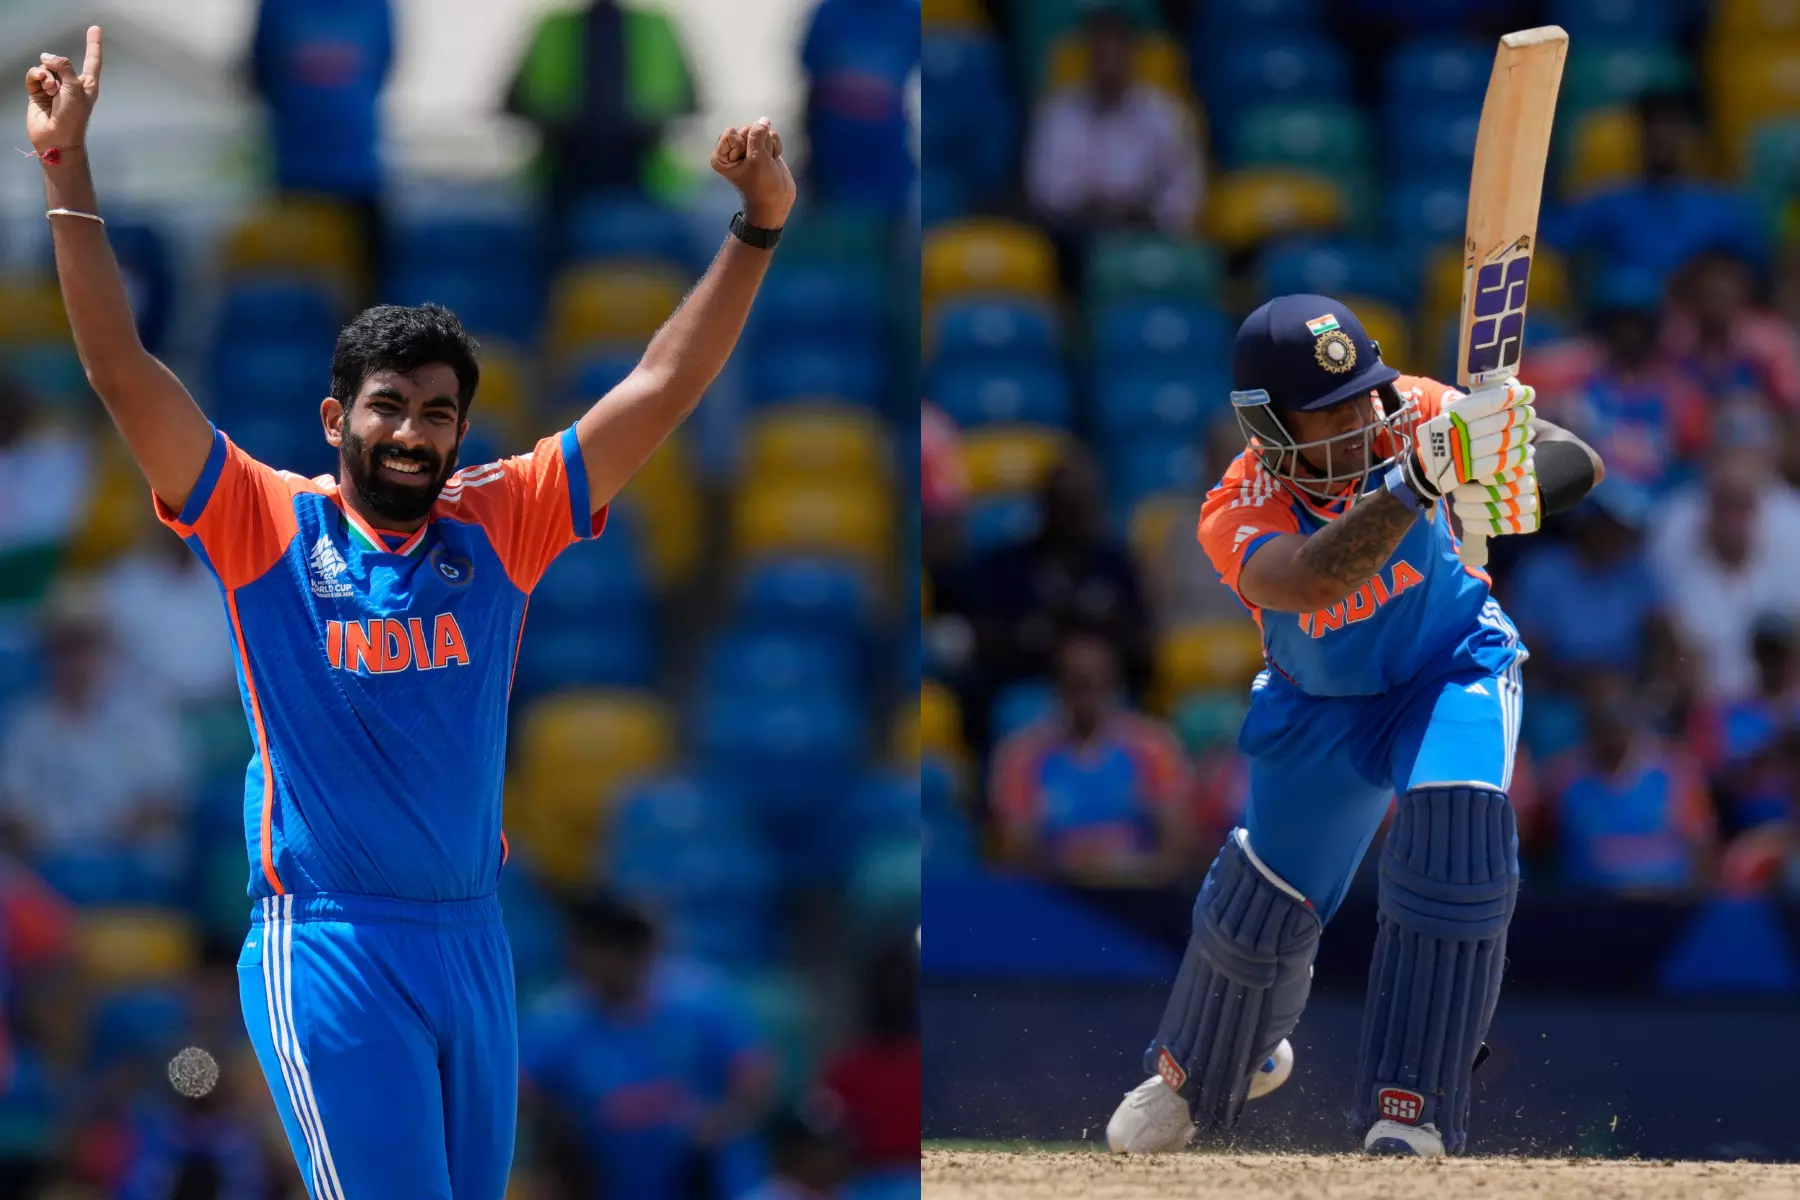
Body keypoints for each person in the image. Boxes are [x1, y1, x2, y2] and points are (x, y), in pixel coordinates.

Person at [25, 27, 795, 1199]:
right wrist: (66, 174)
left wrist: (756, 230)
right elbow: (124, 371)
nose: (414, 431)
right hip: (329, 944)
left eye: (439, 413)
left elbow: (662, 384)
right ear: (335, 418)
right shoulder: (261, 522)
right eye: (388, 406)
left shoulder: (504, 520)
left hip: (471, 944)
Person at [1103, 294, 1604, 1159]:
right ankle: (1207, 1068)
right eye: (1326, 405)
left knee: (1456, 841)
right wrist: (1418, 485)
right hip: (1319, 707)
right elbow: (1308, 581)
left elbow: (1578, 462)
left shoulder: (1408, 410)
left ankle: (1410, 1109)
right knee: (1261, 911)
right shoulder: (1236, 507)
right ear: (1267, 424)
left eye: (1362, 393)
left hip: (1450, 666)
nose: (1357, 415)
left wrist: (1509, 473)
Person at [519, 891, 776, 1200]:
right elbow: (519, 1089)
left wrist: (722, 1120)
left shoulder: (700, 1000)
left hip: (702, 1179)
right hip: (606, 1180)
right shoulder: (560, 1017)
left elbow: (755, 1072)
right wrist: (559, 1128)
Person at [0, 598, 194, 905]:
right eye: (67, 647)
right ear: (49, 654)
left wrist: (114, 840)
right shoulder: (28, 723)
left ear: (108, 651)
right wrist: (58, 849)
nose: (78, 660)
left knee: (163, 857)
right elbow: (12, 810)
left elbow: (166, 800)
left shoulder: (143, 714)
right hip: (50, 862)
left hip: (130, 860)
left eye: (87, 646)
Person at [989, 630, 1191, 883]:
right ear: (1058, 686)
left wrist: (1120, 873)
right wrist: (1079, 872)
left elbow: (1177, 849)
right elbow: (1014, 852)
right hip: (1055, 896)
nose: (1086, 695)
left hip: (1137, 894)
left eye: (1096, 682)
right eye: (1077, 683)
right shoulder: (1021, 755)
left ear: (1115, 684)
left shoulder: (1154, 747)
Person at [1648, 402, 1800, 701]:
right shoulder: (1672, 523)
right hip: (1698, 701)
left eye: (1741, 505)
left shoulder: (1792, 522)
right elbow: (1665, 629)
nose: (1733, 518)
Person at [504, 0, 700, 223]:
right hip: (560, 174)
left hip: (649, 176)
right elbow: (512, 103)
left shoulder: (658, 27)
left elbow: (691, 103)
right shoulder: (552, 27)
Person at [1549, 88, 1767, 286]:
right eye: (1652, 124)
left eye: (1671, 124)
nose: (1661, 135)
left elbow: (1757, 273)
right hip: (1629, 320)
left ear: (1691, 133)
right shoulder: (1611, 203)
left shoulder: (1724, 207)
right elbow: (1552, 241)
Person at [247, 0, 395, 292]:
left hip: (359, 176)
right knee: (291, 298)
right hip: (294, 177)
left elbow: (382, 67)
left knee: (369, 302)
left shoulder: (376, 6)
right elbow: (261, 71)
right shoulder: (277, 7)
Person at [1023, 2, 1203, 243]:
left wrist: (1147, 214)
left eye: (1117, 45)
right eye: (1100, 47)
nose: (1108, 57)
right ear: (1088, 53)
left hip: (1149, 231)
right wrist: (1094, 206)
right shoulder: (1059, 114)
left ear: (1132, 52)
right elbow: (1046, 190)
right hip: (1078, 236)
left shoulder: (1165, 113)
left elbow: (1185, 191)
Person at [1541, 672, 1715, 895]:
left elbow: (1701, 845)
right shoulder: (1562, 776)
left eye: (1615, 721)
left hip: (1666, 905)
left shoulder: (1676, 772)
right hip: (1586, 906)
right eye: (1600, 721)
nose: (1609, 734)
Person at [800, 0, 921, 216]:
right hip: (830, 163)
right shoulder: (829, 12)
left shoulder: (910, 12)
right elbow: (811, 74)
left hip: (889, 165)